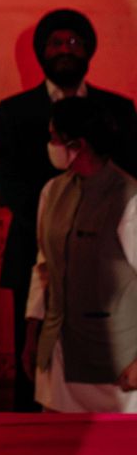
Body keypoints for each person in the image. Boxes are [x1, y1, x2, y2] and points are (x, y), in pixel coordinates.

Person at [0, 8, 137, 412]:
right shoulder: (16, 111)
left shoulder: (119, 110)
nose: (65, 50)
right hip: (39, 245)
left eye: (73, 42)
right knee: (38, 367)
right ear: (42, 52)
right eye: (56, 43)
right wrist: (57, 222)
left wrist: (91, 216)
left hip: (111, 251)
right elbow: (12, 181)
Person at [23, 96, 137, 412]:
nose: (50, 144)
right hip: (58, 349)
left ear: (78, 144)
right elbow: (43, 266)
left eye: (54, 137)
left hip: (117, 360)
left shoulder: (129, 198)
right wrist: (33, 333)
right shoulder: (53, 191)